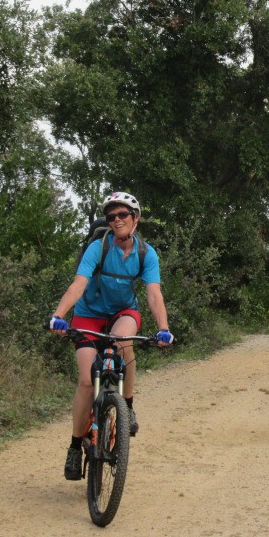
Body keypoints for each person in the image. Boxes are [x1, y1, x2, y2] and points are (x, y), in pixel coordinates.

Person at [48, 191, 174, 480]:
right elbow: (79, 284)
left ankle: (126, 406)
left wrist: (164, 329)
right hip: (89, 313)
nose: (117, 220)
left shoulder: (146, 253)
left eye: (123, 215)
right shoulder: (98, 248)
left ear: (135, 219)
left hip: (122, 312)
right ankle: (75, 445)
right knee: (84, 381)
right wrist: (59, 316)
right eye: (111, 216)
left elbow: (154, 294)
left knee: (123, 343)